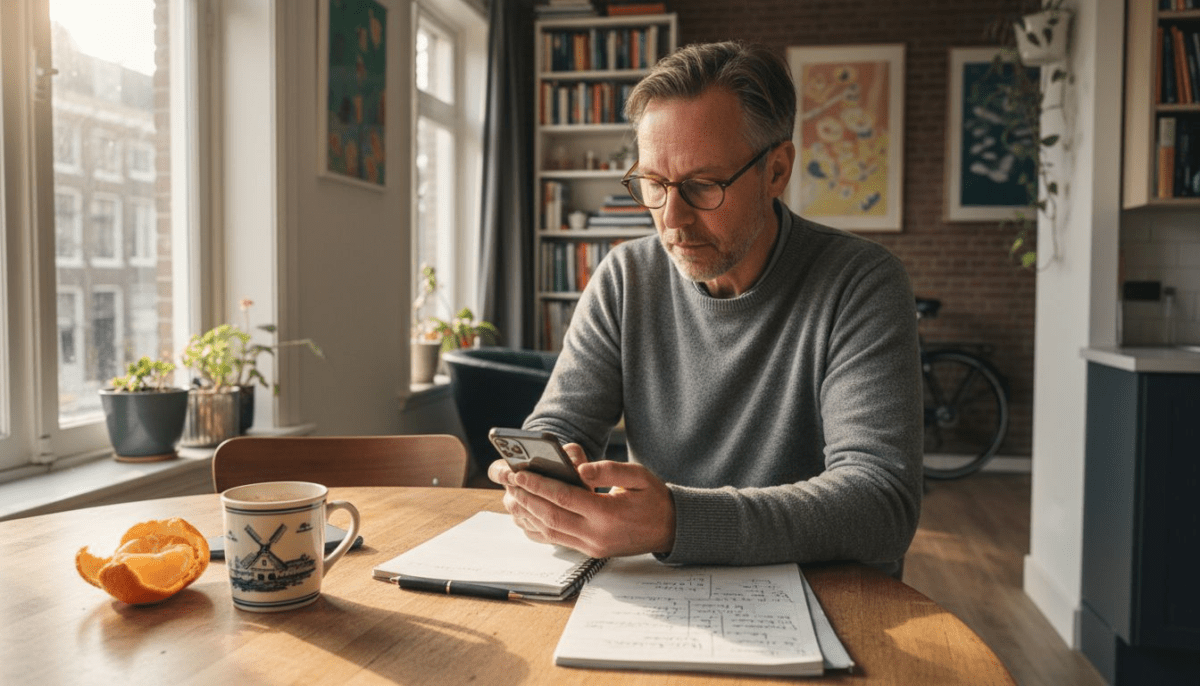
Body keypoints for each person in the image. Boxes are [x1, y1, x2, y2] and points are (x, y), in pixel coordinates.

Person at [489, 40, 923, 576]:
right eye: (653, 182)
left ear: (777, 171)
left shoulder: (860, 283)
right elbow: (560, 423)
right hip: (662, 590)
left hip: (824, 595)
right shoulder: (625, 278)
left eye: (702, 185)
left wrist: (678, 522)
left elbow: (881, 503)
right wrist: (545, 481)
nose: (672, 217)